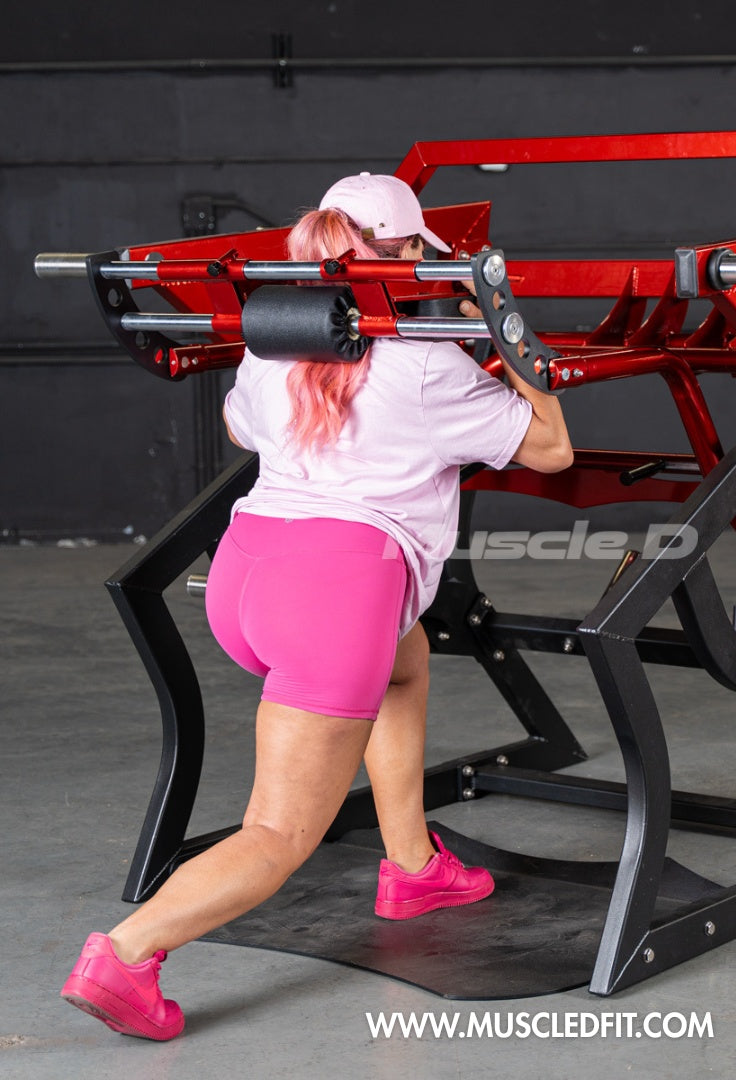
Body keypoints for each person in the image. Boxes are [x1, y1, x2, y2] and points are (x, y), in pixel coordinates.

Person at [60, 173, 573, 1041]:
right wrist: (517, 347)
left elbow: (242, 429)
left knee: (404, 660)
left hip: (249, 574)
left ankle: (413, 867)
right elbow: (553, 449)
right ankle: (125, 954)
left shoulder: (273, 343)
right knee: (278, 830)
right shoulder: (424, 365)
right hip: (333, 596)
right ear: (404, 256)